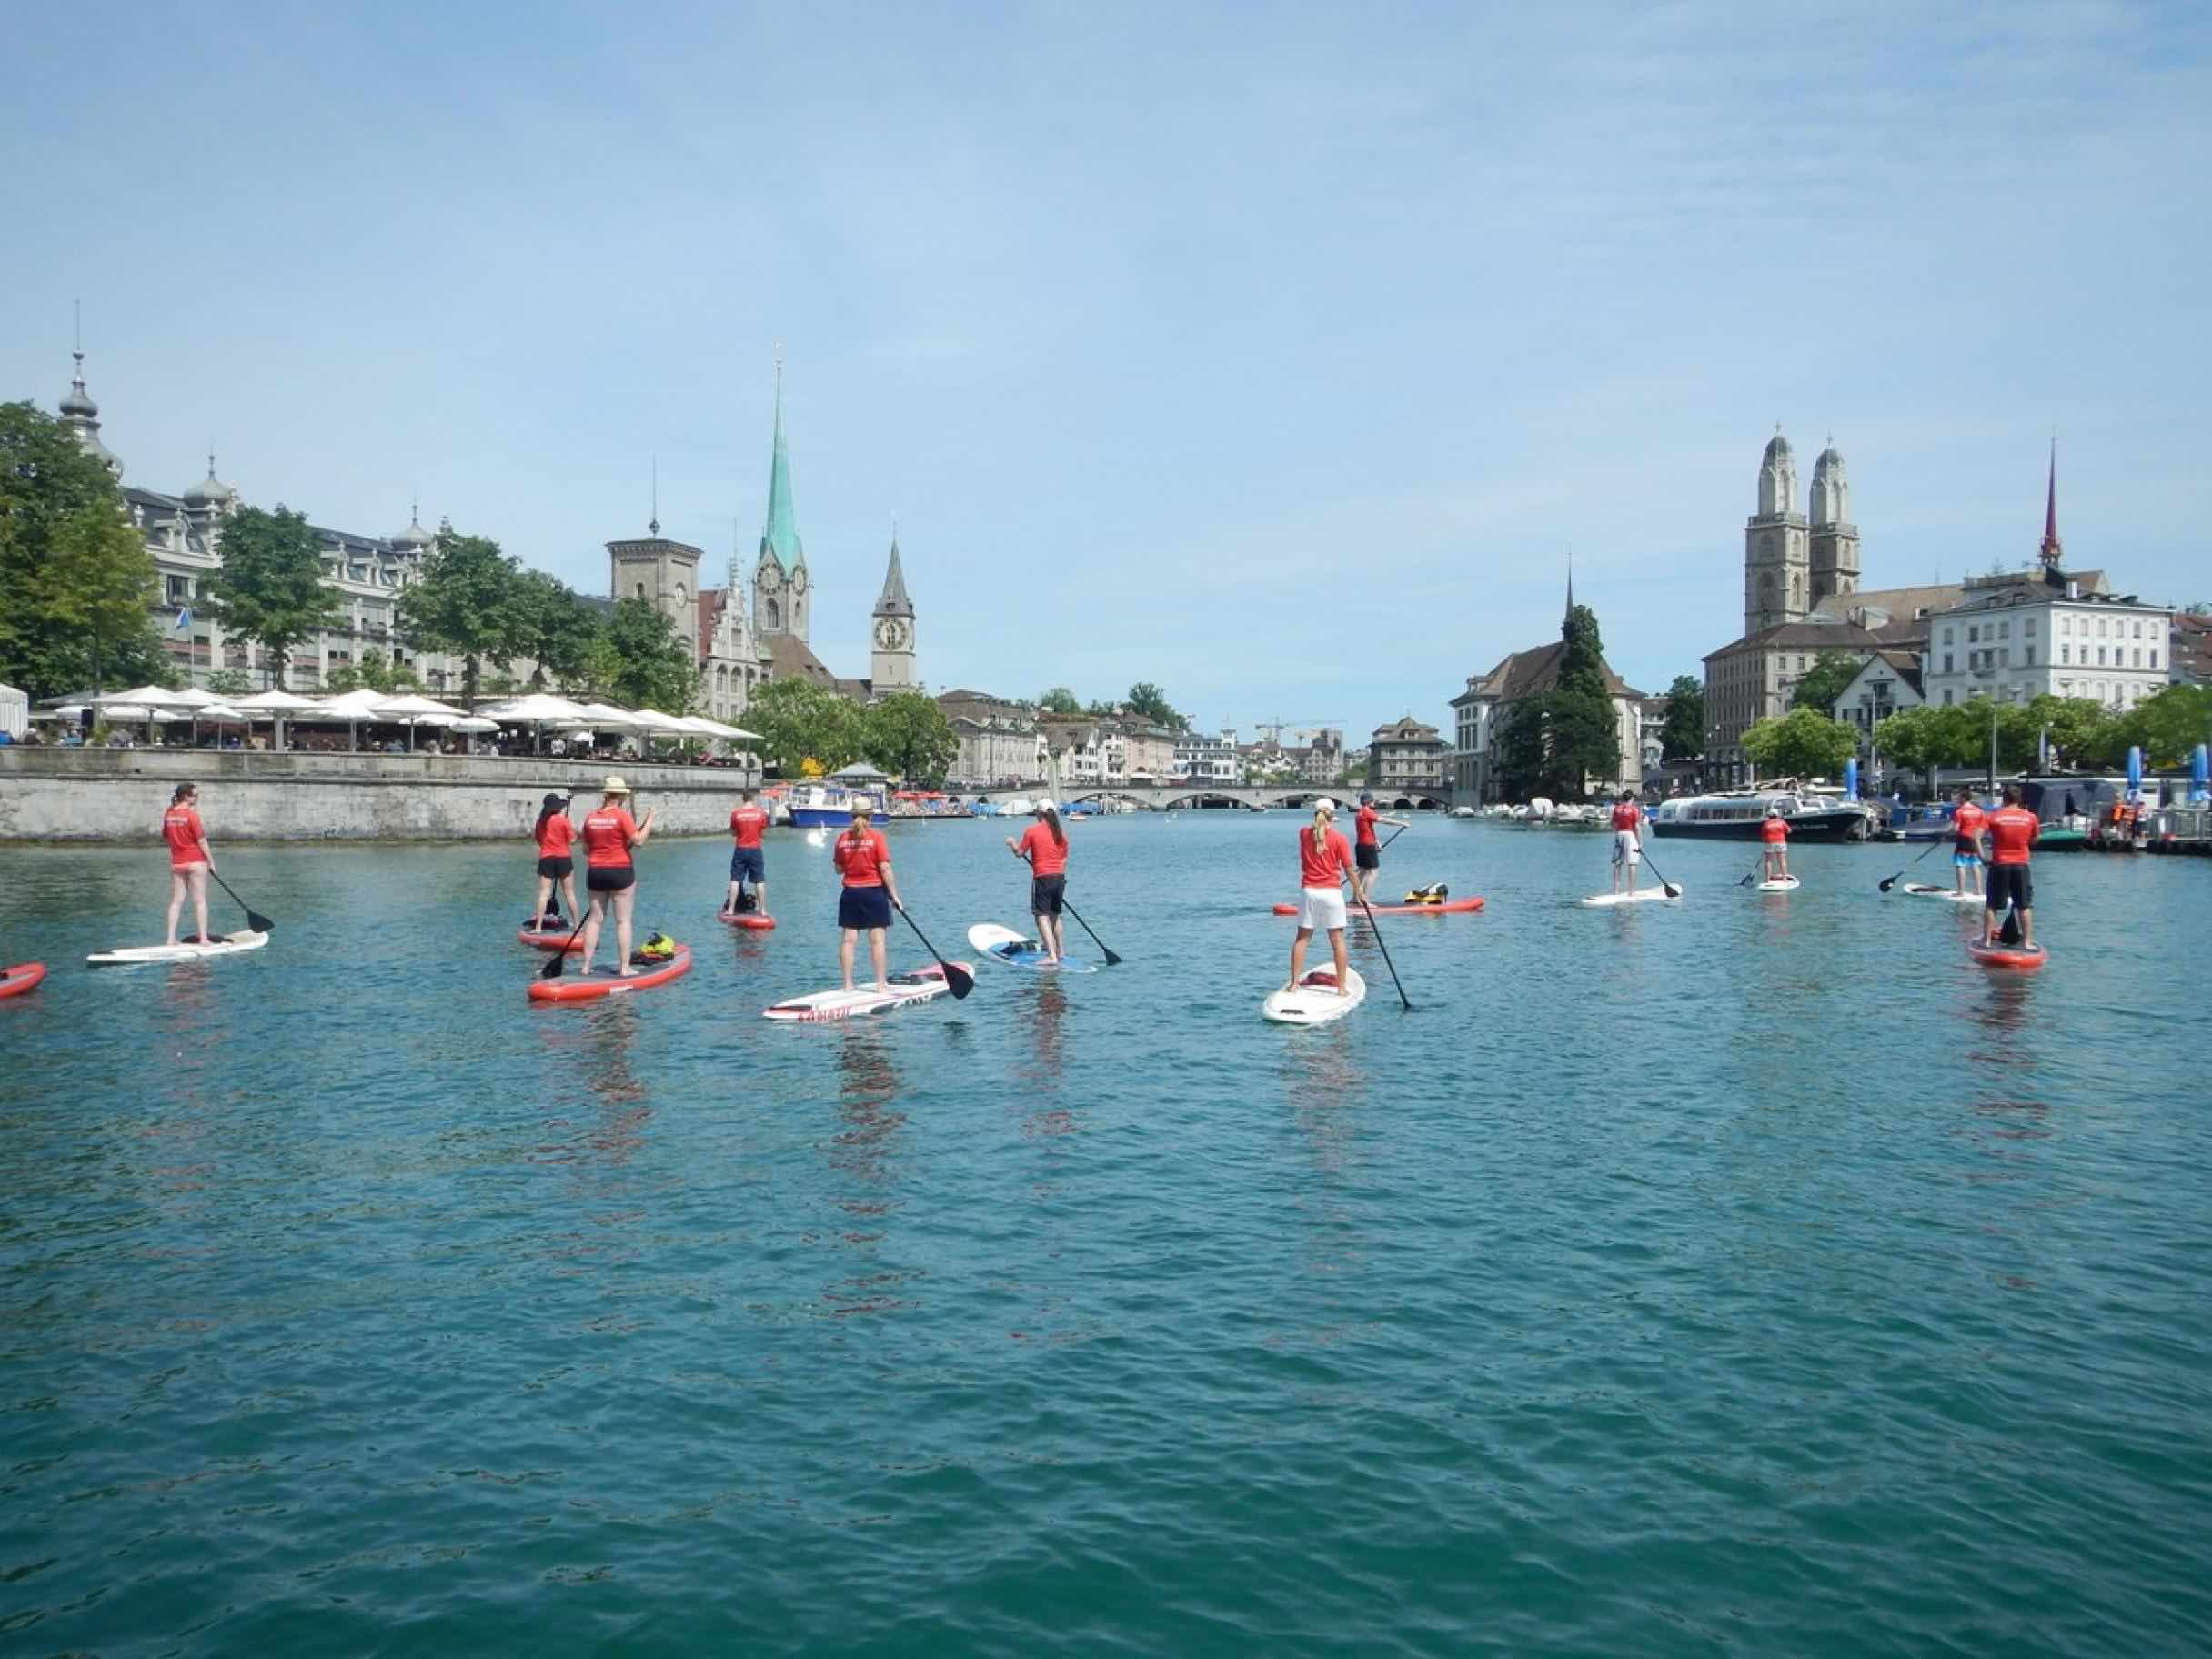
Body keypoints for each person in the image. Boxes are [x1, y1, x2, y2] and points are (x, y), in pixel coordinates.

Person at [578, 777, 655, 976]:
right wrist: (650, 820)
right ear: (620, 796)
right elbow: (638, 841)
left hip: (595, 872)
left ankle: (586, 966)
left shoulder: (590, 818)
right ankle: (624, 967)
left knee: (595, 920)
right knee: (623, 921)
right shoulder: (622, 816)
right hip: (620, 871)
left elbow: (586, 850)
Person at [1287, 799, 1354, 998]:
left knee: (1302, 939)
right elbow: (1350, 870)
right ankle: (1341, 988)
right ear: (1332, 817)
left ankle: (1293, 984)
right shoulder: (1340, 838)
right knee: (1338, 940)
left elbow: (1317, 833)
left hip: (1309, 892)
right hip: (1332, 893)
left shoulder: (1303, 834)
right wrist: (1360, 893)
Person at [833, 800, 902, 992]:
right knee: (877, 941)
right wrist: (895, 895)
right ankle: (881, 986)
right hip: (874, 893)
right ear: (870, 818)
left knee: (848, 940)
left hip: (850, 894)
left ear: (852, 816)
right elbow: (885, 868)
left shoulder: (842, 839)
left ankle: (847, 985)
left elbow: (838, 869)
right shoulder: (877, 837)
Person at [1007, 799, 1070, 963]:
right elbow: (1064, 859)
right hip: (1059, 878)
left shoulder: (1032, 831)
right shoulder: (1061, 833)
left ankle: (1051, 956)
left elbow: (1020, 853)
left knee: (1041, 917)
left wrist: (1012, 844)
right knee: (1055, 915)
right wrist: (1059, 878)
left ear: (1039, 814)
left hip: (1043, 877)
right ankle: (1060, 950)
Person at [1984, 783, 2040, 949]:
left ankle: (1986, 941)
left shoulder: (1994, 816)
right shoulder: (2031, 817)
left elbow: (1976, 837)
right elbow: (2035, 840)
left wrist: (1982, 857)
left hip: (2000, 864)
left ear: (2004, 798)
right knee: (2024, 906)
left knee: (1992, 905)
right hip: (2021, 865)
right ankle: (2027, 942)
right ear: (2020, 799)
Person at [162, 783, 215, 945]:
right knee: (200, 901)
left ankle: (171, 939)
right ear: (186, 796)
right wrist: (211, 861)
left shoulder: (168, 814)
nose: (197, 798)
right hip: (196, 862)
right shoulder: (192, 815)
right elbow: (202, 841)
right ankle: (204, 939)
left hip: (177, 863)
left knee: (176, 901)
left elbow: (166, 836)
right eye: (195, 795)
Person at [1351, 791, 1411, 904]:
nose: (1374, 802)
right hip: (1367, 846)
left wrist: (1376, 842)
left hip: (1361, 845)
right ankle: (1366, 901)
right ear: (1369, 802)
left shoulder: (1359, 813)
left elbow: (1367, 829)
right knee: (1373, 873)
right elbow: (1383, 820)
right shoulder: (1367, 812)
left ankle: (1354, 899)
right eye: (1373, 800)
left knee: (1362, 872)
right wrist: (1402, 823)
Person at [529, 793, 578, 927]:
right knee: (569, 893)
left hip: (546, 858)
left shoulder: (540, 822)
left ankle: (538, 927)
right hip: (563, 858)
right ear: (558, 807)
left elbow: (540, 841)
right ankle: (576, 925)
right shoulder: (563, 820)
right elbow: (573, 840)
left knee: (544, 894)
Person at [724, 788, 772, 919]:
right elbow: (763, 833)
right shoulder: (761, 813)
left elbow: (733, 832)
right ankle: (762, 910)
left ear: (743, 799)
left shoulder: (736, 814)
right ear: (753, 799)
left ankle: (731, 909)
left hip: (740, 848)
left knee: (735, 879)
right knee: (759, 880)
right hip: (755, 849)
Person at [1950, 787, 1988, 898]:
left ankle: (1961, 891)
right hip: (1975, 840)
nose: (1957, 800)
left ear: (1963, 798)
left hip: (1963, 839)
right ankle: (1979, 890)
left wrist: (1949, 833)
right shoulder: (1979, 811)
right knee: (1975, 864)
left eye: (1958, 798)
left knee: (1960, 864)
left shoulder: (1959, 811)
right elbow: (1983, 827)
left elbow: (1956, 829)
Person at [1609, 789, 1644, 896]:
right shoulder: (1634, 810)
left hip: (1619, 834)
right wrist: (1640, 843)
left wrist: (1619, 831)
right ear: (1632, 799)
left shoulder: (1616, 809)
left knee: (1617, 863)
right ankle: (1632, 892)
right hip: (1630, 836)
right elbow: (1637, 828)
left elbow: (1612, 824)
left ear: (1622, 799)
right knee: (1632, 863)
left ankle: (1616, 892)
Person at [1760, 803, 1791, 882]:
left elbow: (1763, 836)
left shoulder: (1765, 824)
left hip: (1769, 843)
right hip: (1780, 842)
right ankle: (1784, 878)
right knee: (1782, 860)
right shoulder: (1782, 822)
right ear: (1777, 815)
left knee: (1768, 861)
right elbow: (1789, 831)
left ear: (1768, 816)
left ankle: (1767, 880)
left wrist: (1765, 846)